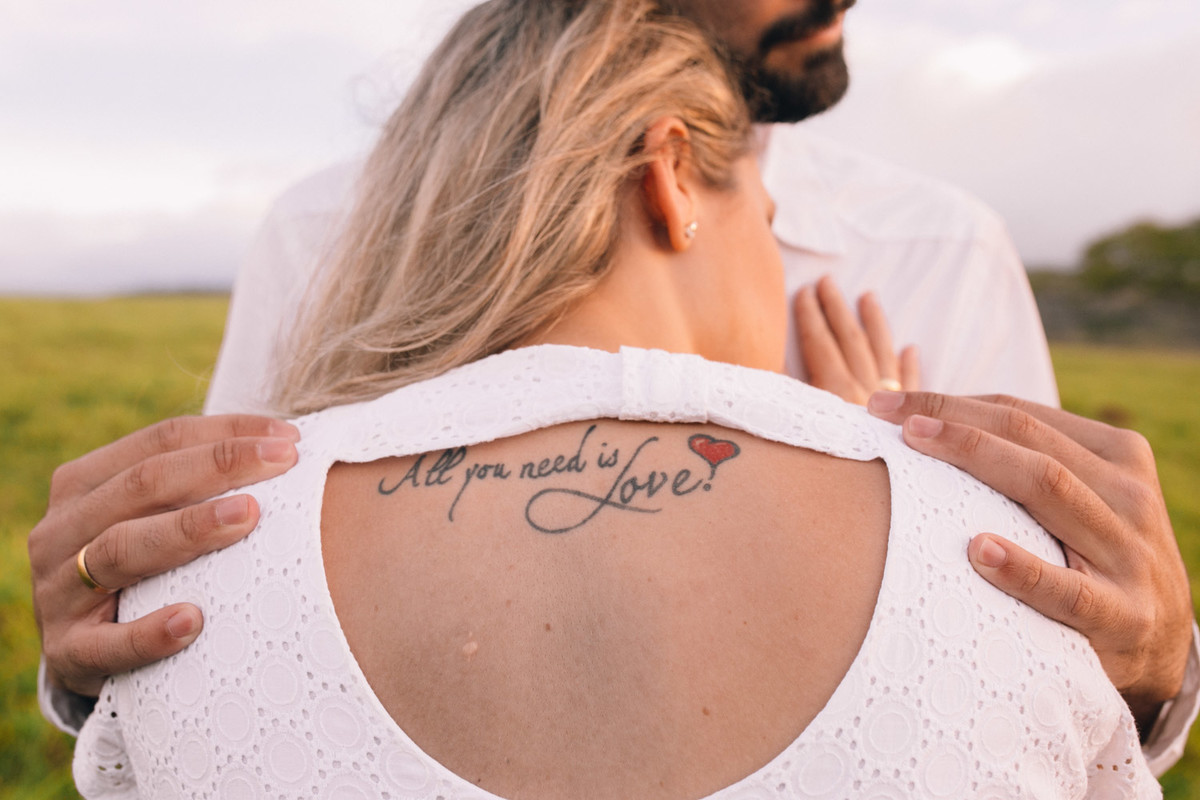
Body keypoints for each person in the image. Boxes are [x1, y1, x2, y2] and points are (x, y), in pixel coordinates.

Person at [32, 0, 1196, 775]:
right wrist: (101, 637)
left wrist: (1152, 672)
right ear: (673, 173)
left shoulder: (943, 247)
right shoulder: (318, 231)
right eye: (766, 218)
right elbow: (220, 613)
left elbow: (1050, 693)